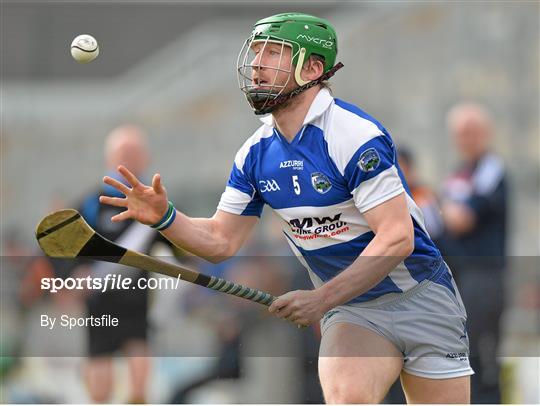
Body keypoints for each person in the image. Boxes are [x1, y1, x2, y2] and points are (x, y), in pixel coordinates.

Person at [100, 13, 473, 403]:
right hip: (354, 312)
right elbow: (219, 241)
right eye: (256, 53)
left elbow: (397, 238)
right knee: (348, 397)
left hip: (422, 298)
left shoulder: (354, 136)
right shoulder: (255, 155)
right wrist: (165, 217)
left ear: (313, 68)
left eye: (274, 53)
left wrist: (320, 299)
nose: (258, 65)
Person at [78, 125, 156, 403]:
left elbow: (179, 244)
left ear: (146, 158)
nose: (130, 159)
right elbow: (66, 245)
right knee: (100, 383)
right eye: (123, 153)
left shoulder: (156, 202)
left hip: (136, 298)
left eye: (135, 153)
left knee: (138, 380)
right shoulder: (90, 202)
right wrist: (75, 274)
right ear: (109, 157)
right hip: (100, 299)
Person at [439, 103, 507, 403]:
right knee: (460, 356)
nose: (468, 139)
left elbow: (459, 219)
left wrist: (442, 207)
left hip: (484, 276)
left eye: (473, 131)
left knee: (482, 357)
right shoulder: (460, 174)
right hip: (459, 276)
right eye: (462, 133)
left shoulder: (491, 169)